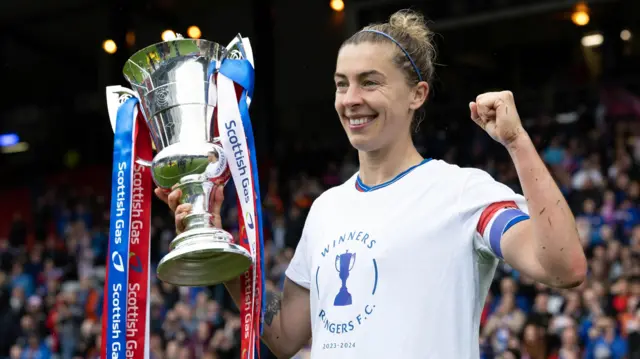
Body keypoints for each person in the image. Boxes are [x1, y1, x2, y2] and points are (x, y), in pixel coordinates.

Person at [156, 9, 587, 358]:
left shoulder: (462, 194)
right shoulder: (325, 208)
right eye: (341, 85)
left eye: (370, 82)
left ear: (417, 94)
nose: (350, 100)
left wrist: (517, 142)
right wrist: (216, 241)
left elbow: (563, 267)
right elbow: (285, 335)